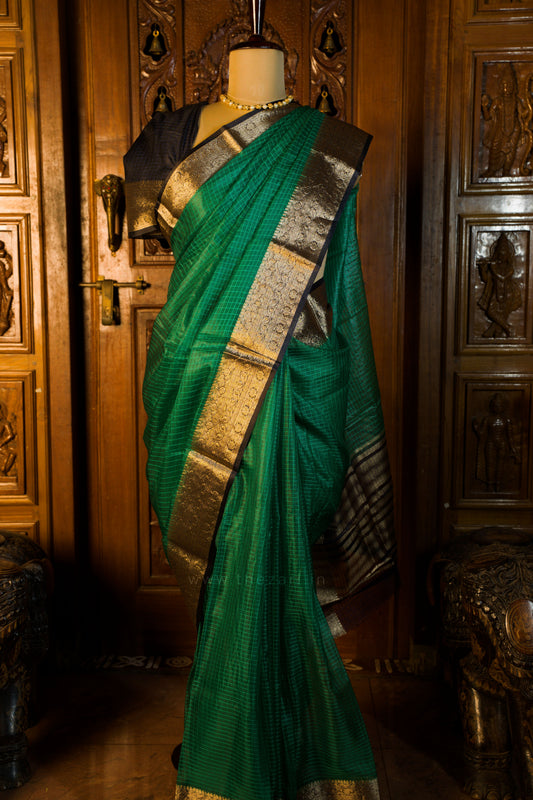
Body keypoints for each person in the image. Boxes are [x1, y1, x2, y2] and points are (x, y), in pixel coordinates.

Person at [125, 36, 395, 800]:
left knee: (261, 566)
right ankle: (272, 743)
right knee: (230, 573)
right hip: (191, 380)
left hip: (293, 385)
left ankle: (231, 761)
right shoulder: (166, 141)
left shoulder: (330, 146)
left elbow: (333, 288)